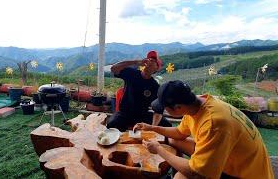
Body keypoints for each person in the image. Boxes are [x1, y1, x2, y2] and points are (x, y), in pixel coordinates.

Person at [134, 80, 274, 179]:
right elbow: (179, 133)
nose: (164, 111)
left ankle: (179, 168)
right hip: (231, 158)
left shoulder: (213, 123)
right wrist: (151, 128)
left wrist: (159, 150)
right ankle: (180, 165)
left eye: (165, 108)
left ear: (178, 107)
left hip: (244, 174)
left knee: (181, 177)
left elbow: (197, 174)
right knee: (173, 140)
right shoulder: (197, 104)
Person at [107, 50, 172, 131]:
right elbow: (113, 68)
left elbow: (158, 110)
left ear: (157, 68)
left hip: (142, 115)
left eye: (154, 61)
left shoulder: (155, 86)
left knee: (167, 125)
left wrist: (152, 127)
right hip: (124, 113)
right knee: (111, 124)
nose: (150, 61)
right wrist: (136, 62)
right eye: (149, 59)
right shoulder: (132, 73)